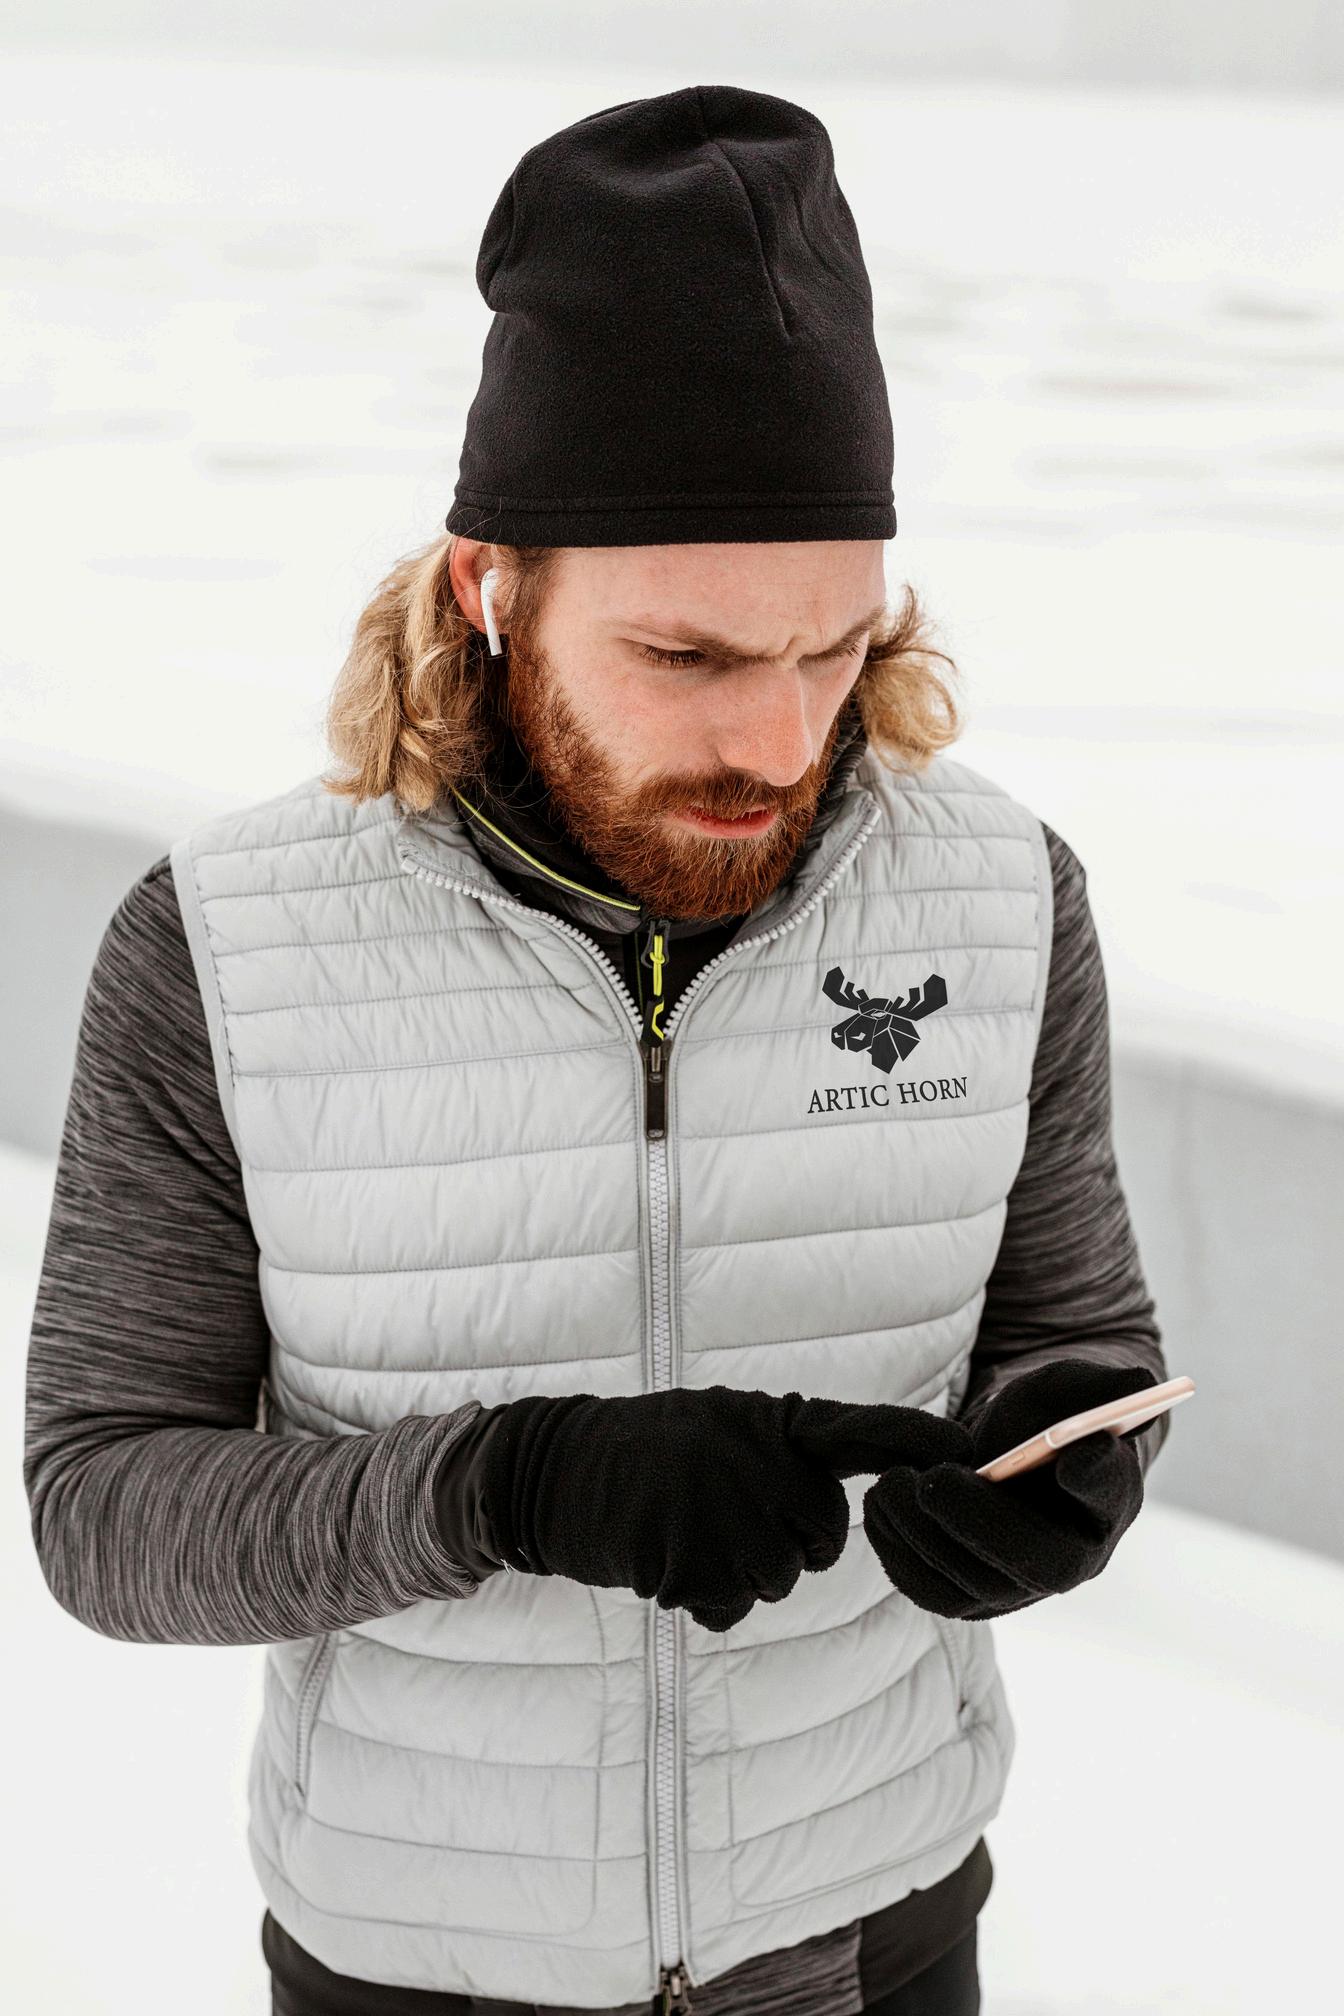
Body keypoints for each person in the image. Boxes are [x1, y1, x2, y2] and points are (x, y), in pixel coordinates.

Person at [22, 84, 1171, 2016]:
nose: (780, 745)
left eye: (833, 649)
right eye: (688, 658)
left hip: (879, 1929)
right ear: (488, 586)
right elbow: (104, 1513)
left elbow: (1088, 1338)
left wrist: (1071, 1463)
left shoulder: (1002, 898)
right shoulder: (219, 946)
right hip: (420, 1965)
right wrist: (511, 1489)